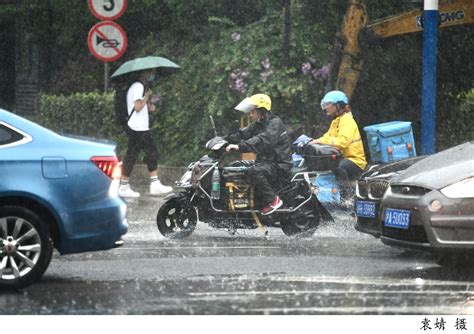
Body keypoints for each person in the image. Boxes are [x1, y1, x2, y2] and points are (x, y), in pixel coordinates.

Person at [226, 94, 292, 215]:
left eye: (253, 111)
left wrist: (239, 146)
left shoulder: (275, 123)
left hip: (279, 165)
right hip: (265, 163)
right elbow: (242, 133)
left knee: (253, 171)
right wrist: (225, 140)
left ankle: (273, 200)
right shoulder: (258, 124)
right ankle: (246, 203)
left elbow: (263, 139)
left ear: (262, 110)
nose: (251, 115)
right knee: (235, 166)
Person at [118, 68, 172, 198]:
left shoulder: (141, 87)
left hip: (140, 127)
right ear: (143, 73)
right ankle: (154, 184)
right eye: (150, 73)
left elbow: (149, 109)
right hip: (137, 127)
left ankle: (124, 185)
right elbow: (137, 107)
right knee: (151, 152)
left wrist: (150, 101)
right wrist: (146, 96)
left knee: (132, 155)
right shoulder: (137, 86)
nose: (152, 75)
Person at [310, 90, 367, 201]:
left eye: (328, 104)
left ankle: (348, 197)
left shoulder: (347, 120)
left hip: (355, 161)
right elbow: (327, 137)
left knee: (339, 166)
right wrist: (314, 141)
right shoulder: (336, 121)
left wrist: (321, 142)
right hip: (344, 158)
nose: (326, 107)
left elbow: (343, 141)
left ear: (338, 105)